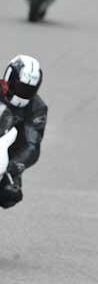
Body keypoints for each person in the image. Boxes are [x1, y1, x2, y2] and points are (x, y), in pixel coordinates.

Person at [0, 56, 47, 209]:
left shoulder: (37, 108)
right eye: (21, 87)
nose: (23, 93)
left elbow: (32, 145)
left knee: (10, 196)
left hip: (7, 154)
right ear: (10, 77)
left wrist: (16, 165)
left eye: (28, 90)